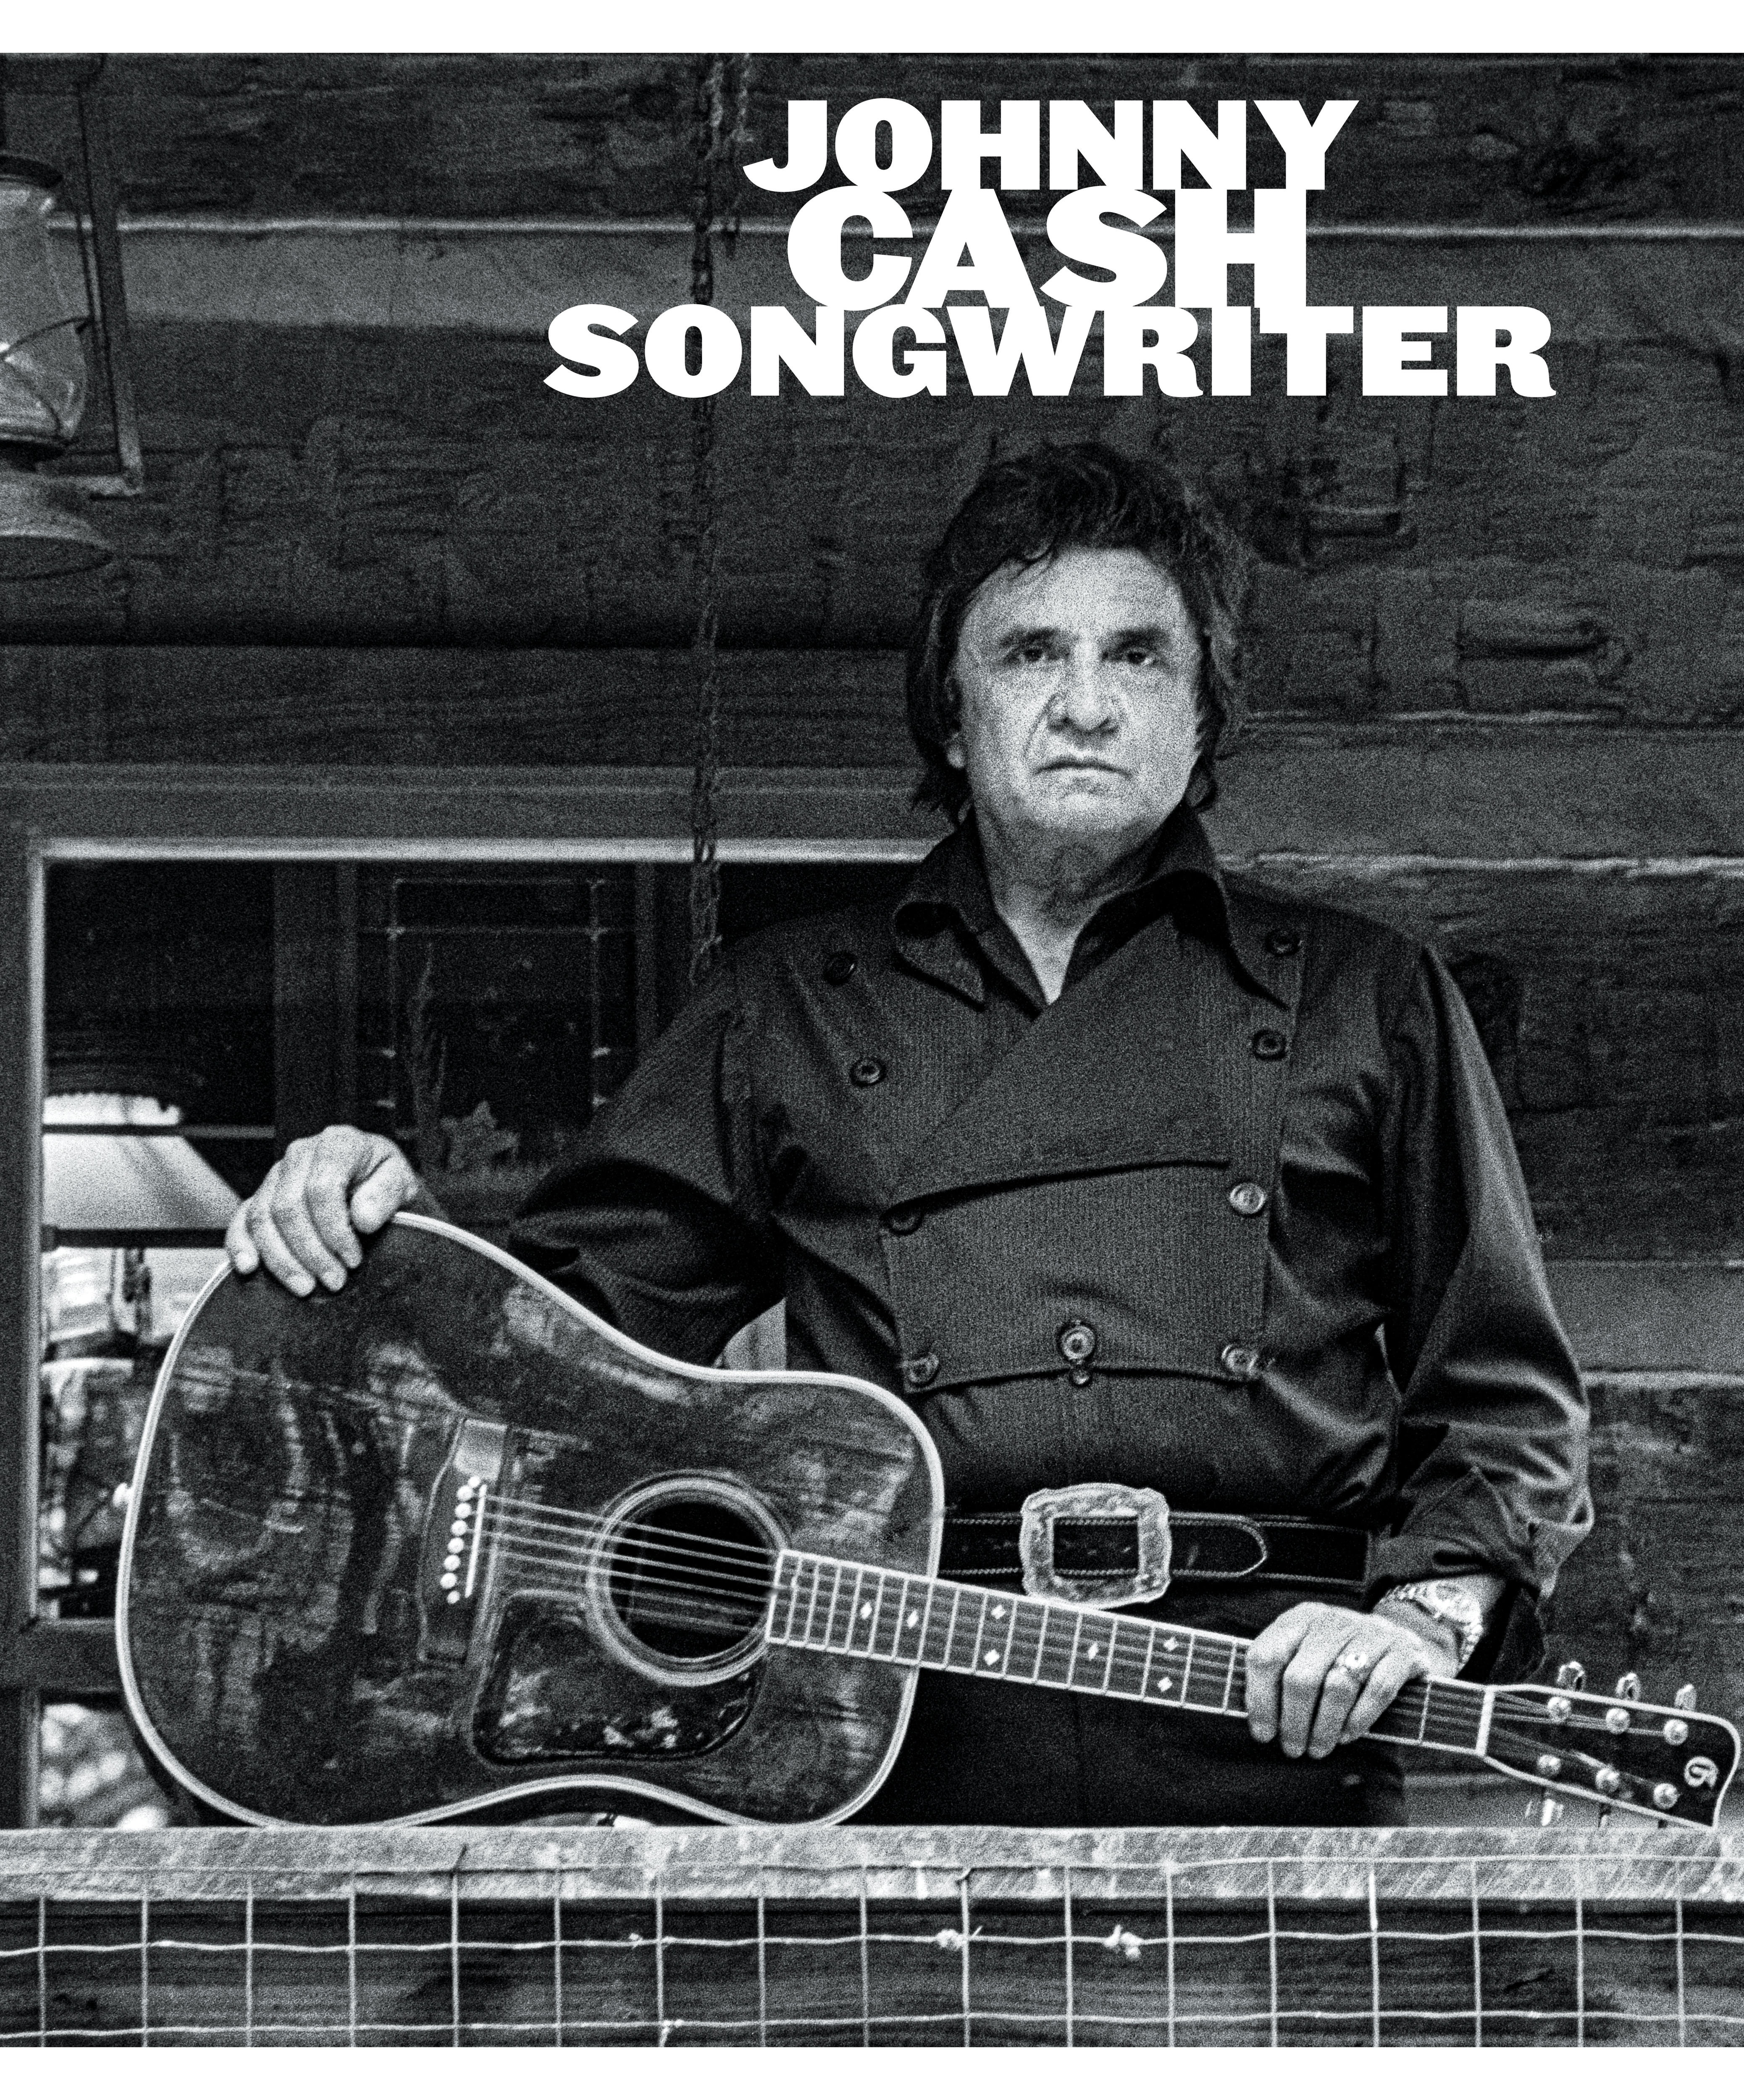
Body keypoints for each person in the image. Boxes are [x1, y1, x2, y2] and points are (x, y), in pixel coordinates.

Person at [226, 441, 1591, 1826]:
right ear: (952, 715)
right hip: (890, 1719)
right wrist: (373, 1218)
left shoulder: (1369, 996)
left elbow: (1501, 1386)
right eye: (1028, 655)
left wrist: (1418, 1625)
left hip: (1266, 1716)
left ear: (1202, 718)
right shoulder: (791, 1005)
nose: (1085, 705)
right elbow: (562, 1349)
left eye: (1139, 658)